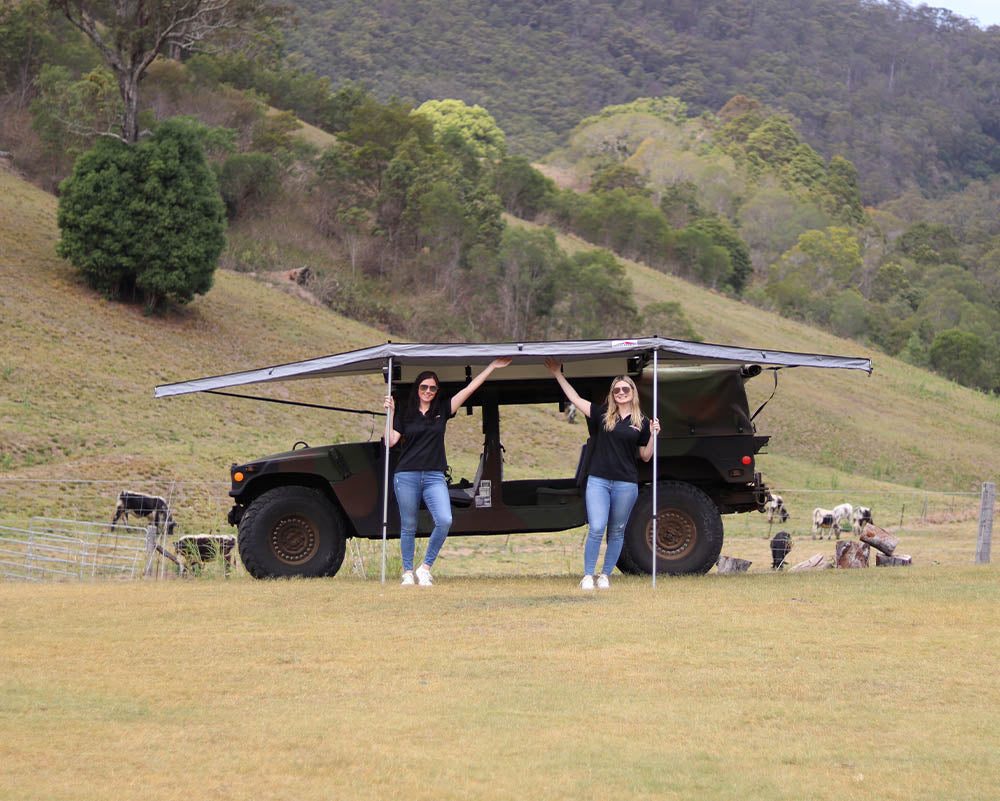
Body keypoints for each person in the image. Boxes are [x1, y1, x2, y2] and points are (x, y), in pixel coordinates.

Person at [384, 357, 512, 586]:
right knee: (408, 525)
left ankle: (424, 568)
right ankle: (406, 572)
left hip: (434, 475)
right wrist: (391, 412)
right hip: (407, 474)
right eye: (424, 387)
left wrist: (491, 367)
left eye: (433, 388)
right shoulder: (405, 412)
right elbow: (391, 441)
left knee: (444, 520)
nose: (428, 391)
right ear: (417, 388)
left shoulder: (442, 408)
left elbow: (469, 389)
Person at [544, 358, 660, 590]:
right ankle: (588, 575)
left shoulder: (643, 422)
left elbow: (646, 456)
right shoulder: (601, 414)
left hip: (626, 483)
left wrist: (655, 435)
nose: (620, 392)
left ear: (632, 392)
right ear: (612, 394)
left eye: (625, 388)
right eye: (616, 390)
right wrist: (558, 374)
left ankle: (605, 575)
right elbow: (575, 399)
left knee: (616, 530)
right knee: (597, 527)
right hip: (599, 481)